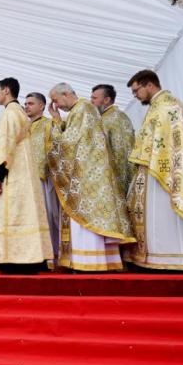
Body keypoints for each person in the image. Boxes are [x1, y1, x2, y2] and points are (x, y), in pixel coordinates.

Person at [124, 70, 183, 270]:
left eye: (136, 90)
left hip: (164, 170)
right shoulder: (157, 107)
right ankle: (157, 258)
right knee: (157, 218)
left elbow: (174, 143)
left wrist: (159, 163)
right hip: (154, 170)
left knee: (168, 216)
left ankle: (179, 259)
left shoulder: (169, 106)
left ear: (149, 85)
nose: (135, 96)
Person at [47, 83, 134, 271]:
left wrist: (55, 125)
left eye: (56, 100)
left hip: (85, 176)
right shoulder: (82, 110)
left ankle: (89, 262)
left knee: (85, 219)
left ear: (66, 94)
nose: (56, 105)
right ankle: (95, 261)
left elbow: (68, 143)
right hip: (89, 173)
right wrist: (59, 120)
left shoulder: (83, 109)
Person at [0, 79, 53, 272]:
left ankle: (16, 259)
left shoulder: (10, 113)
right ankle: (33, 257)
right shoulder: (19, 112)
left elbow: (5, 146)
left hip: (14, 172)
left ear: (6, 91)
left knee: (14, 212)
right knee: (26, 211)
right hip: (24, 171)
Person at [23, 91, 61, 262]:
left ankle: (50, 253)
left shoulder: (49, 124)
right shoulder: (23, 126)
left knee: (46, 215)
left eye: (30, 103)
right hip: (24, 179)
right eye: (26, 104)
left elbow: (58, 146)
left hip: (43, 178)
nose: (26, 106)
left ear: (41, 106)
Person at [91, 83, 135, 199]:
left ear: (106, 100)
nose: (91, 101)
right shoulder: (117, 116)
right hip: (123, 173)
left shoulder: (110, 119)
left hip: (114, 177)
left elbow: (119, 151)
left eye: (94, 98)